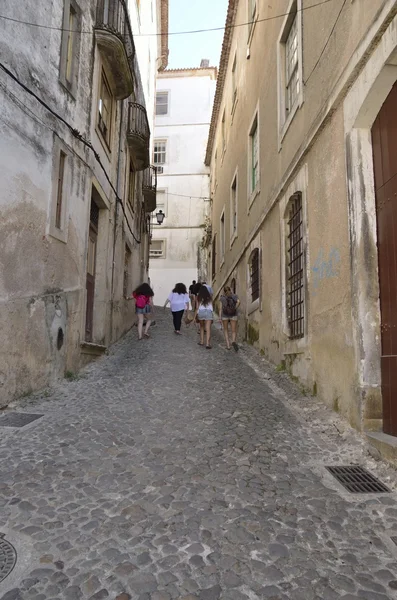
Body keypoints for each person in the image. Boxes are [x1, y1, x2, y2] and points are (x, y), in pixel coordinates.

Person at [219, 286, 240, 351]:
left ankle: (228, 345)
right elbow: (239, 302)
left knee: (226, 330)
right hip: (233, 315)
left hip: (225, 315)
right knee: (233, 330)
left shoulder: (222, 298)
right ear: (230, 290)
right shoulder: (234, 296)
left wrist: (220, 317)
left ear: (224, 291)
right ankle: (233, 341)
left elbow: (220, 308)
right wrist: (235, 308)